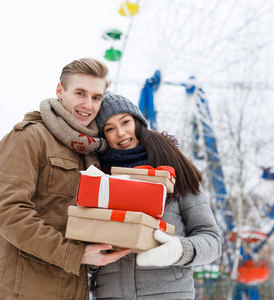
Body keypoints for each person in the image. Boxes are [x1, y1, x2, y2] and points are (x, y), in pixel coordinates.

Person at [0, 59, 132, 300]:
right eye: (80, 93)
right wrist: (76, 255)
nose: (88, 105)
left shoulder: (92, 151)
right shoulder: (29, 138)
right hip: (23, 290)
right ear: (59, 91)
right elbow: (8, 212)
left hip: (74, 289)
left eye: (96, 97)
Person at [92, 92, 222, 300]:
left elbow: (212, 241)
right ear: (102, 136)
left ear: (138, 122)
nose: (121, 132)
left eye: (125, 122)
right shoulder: (98, 178)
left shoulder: (174, 169)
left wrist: (180, 250)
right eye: (109, 128)